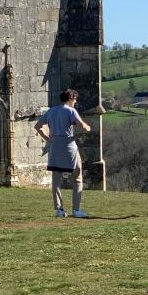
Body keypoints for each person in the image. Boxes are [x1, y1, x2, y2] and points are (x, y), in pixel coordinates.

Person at [35, 88, 91, 218]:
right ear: (71, 98)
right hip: (68, 146)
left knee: (56, 178)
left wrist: (48, 139)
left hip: (55, 146)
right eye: (75, 99)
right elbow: (82, 126)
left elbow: (37, 126)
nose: (75, 102)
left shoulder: (51, 111)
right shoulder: (71, 111)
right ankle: (76, 210)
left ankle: (59, 210)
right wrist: (88, 128)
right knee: (77, 176)